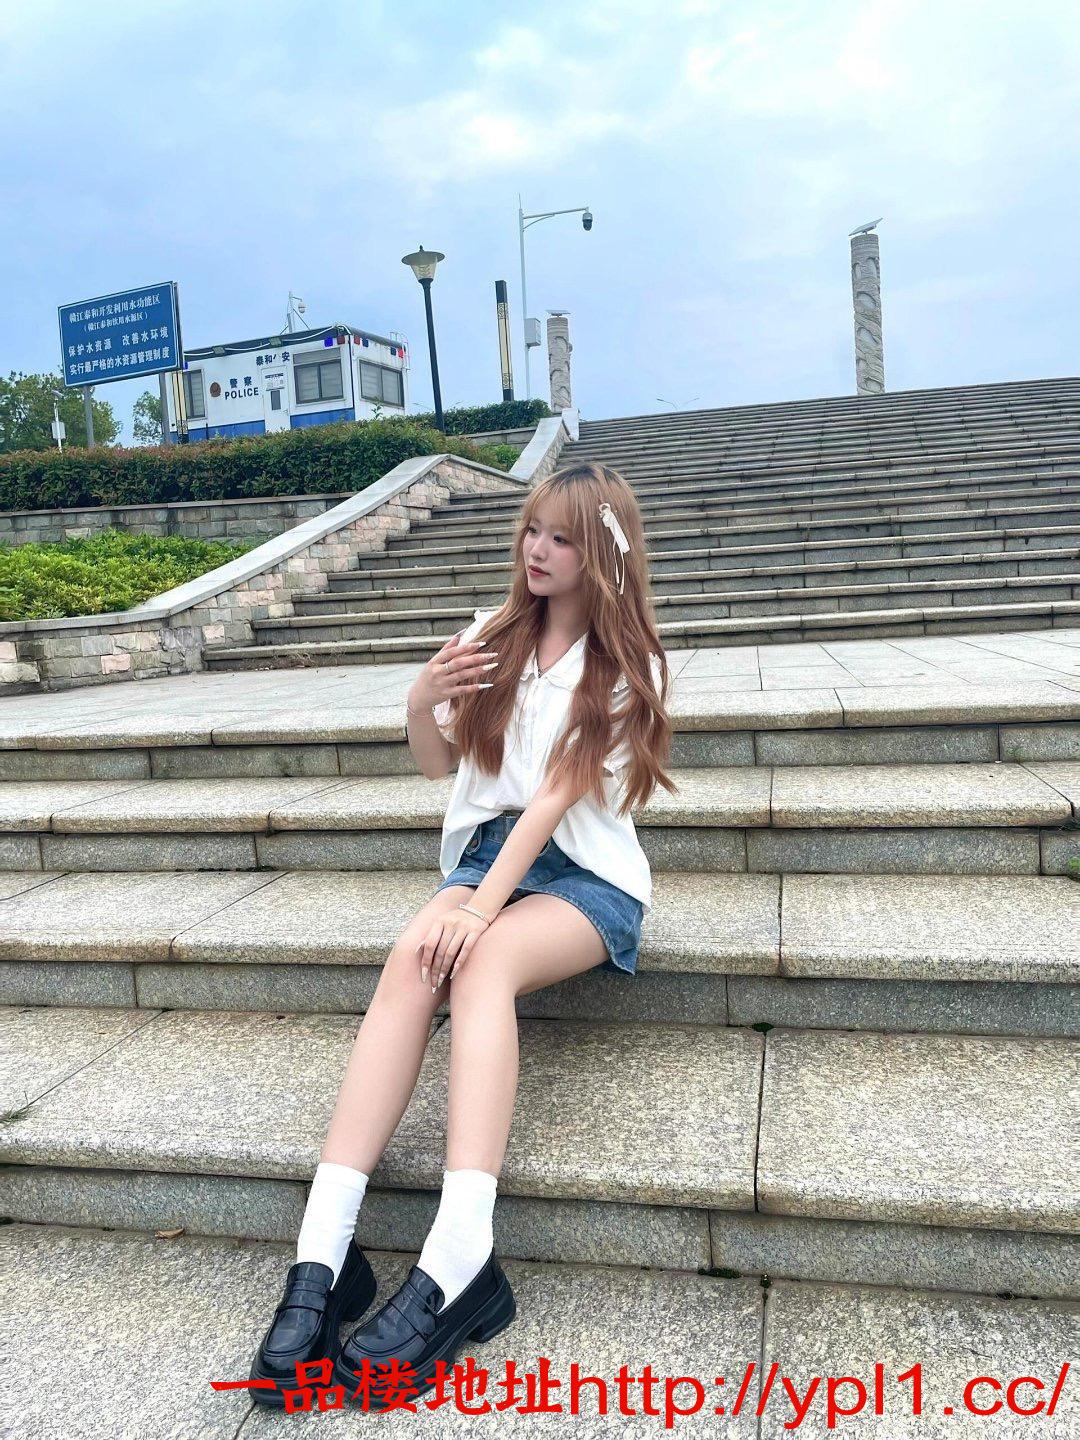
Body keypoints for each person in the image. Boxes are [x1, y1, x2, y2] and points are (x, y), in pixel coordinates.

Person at [249, 461, 675, 1410]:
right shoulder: (493, 636)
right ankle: (323, 1255)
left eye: (562, 537)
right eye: (532, 530)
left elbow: (556, 798)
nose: (537, 549)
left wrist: (478, 910)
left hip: (585, 875)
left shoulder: (626, 663)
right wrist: (418, 700)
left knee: (477, 965)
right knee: (411, 961)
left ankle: (460, 1254)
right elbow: (440, 764)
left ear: (603, 555)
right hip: (485, 857)